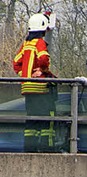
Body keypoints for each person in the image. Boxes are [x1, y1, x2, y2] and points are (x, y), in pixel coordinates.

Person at [13, 12, 57, 152]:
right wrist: (42, 71)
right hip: (40, 88)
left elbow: (15, 63)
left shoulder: (26, 44)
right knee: (45, 119)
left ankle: (29, 148)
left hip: (27, 88)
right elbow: (44, 59)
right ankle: (45, 148)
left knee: (31, 120)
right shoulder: (39, 42)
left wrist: (26, 75)